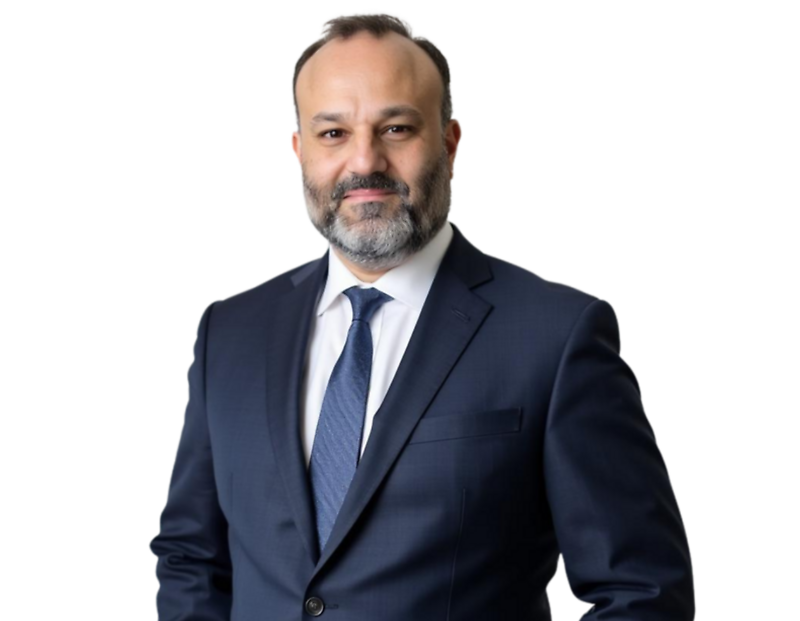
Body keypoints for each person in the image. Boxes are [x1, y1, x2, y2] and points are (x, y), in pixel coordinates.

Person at [149, 10, 695, 620]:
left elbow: (642, 591)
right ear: (298, 151)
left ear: (452, 142)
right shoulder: (229, 330)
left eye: (397, 128)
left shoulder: (556, 334)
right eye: (333, 133)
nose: (366, 163)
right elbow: (191, 556)